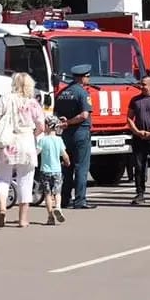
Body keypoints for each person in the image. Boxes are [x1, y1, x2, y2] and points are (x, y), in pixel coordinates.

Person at [0, 72, 46, 227]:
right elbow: (41, 126)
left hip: (7, 142)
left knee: (2, 178)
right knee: (25, 181)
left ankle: (2, 208)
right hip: (26, 142)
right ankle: (23, 219)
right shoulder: (33, 103)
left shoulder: (5, 99)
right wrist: (32, 134)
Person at [56, 64, 95, 209]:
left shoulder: (63, 92)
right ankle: (80, 200)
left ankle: (64, 200)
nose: (88, 79)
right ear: (82, 77)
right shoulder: (82, 93)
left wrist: (64, 123)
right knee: (81, 167)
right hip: (80, 133)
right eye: (87, 76)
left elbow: (57, 114)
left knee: (67, 167)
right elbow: (84, 115)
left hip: (66, 135)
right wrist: (70, 122)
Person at [126, 76, 150, 205]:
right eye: (141, 84)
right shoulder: (135, 100)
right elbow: (129, 118)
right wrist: (137, 131)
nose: (142, 86)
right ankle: (140, 193)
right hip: (139, 138)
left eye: (144, 84)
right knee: (139, 166)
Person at [37, 115, 70, 224]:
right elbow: (64, 155)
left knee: (47, 194)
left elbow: (36, 152)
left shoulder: (43, 140)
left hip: (45, 171)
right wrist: (67, 162)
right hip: (57, 170)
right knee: (57, 192)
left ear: (47, 126)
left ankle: (50, 217)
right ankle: (58, 207)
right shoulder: (59, 140)